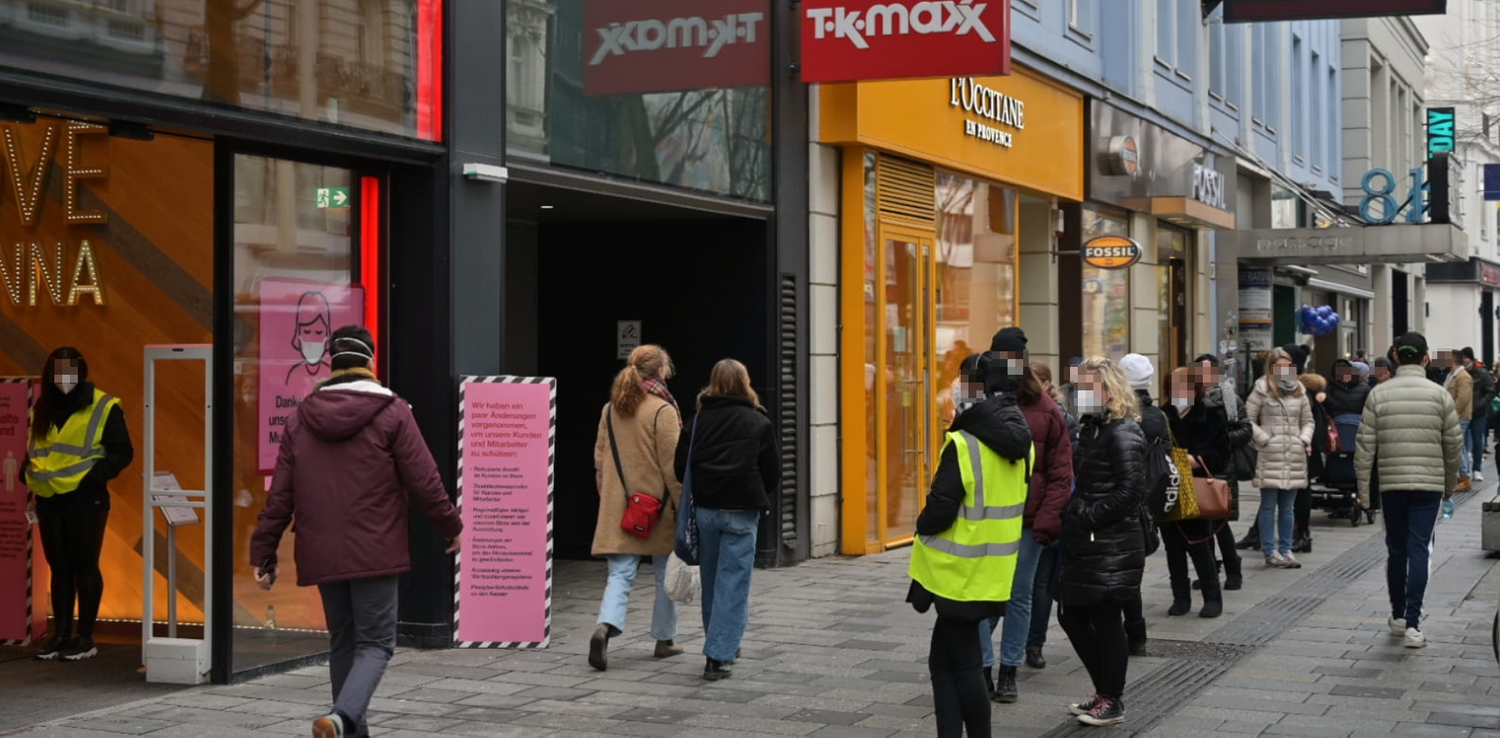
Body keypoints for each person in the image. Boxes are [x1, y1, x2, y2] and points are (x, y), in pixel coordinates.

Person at [251, 326, 462, 738]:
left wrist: (265, 549)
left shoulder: (300, 418)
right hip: (375, 548)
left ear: (331, 364)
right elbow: (424, 480)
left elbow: (281, 495)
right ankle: (343, 718)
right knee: (376, 644)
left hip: (321, 548)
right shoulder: (394, 411)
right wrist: (450, 525)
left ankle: (346, 727)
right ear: (370, 362)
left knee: (344, 642)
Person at [908, 351, 1032, 738]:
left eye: (963, 380)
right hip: (992, 572)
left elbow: (940, 509)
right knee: (943, 662)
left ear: (978, 387)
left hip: (955, 574)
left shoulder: (963, 443)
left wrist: (920, 523)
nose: (957, 387)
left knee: (963, 666)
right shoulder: (1022, 441)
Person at [979, 329, 1073, 703]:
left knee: (1019, 596)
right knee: (983, 598)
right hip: (984, 518)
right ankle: (983, 668)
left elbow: (1060, 470)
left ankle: (1009, 671)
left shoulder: (1045, 408)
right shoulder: (979, 396)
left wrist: (1049, 518)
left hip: (1028, 521)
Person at [1355, 332, 1463, 648]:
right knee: (1419, 549)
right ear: (1426, 357)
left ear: (1397, 358)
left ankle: (1399, 615)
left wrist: (1364, 491)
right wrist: (1449, 484)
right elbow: (1453, 445)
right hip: (1428, 485)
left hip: (1392, 484)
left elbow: (1364, 447)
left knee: (1396, 550)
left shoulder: (1379, 395)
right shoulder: (1439, 394)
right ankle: (1415, 624)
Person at [675, 359, 780, 681]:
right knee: (733, 583)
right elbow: (772, 472)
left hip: (706, 512)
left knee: (711, 580)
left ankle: (721, 643)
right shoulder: (758, 422)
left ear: (714, 382)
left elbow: (681, 469)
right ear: (745, 383)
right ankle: (718, 655)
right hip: (741, 511)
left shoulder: (698, 421)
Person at [27, 347, 134, 662]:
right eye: (58, 371)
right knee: (59, 567)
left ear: (81, 371)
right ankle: (60, 635)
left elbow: (122, 451)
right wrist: (25, 471)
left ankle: (85, 637)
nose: (64, 377)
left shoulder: (103, 406)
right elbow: (36, 448)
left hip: (87, 499)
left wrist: (93, 478)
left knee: (84, 566)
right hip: (49, 498)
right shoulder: (43, 407)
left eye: (70, 370)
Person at [1058, 356, 1147, 727]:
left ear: (1107, 390)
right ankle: (1104, 691)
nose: (1079, 394)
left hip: (1109, 542)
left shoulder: (1123, 431)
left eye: (1086, 387)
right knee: (1072, 614)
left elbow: (1131, 491)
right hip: (1090, 540)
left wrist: (1087, 516)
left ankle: (1112, 698)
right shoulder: (1094, 428)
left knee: (1105, 617)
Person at [588, 344, 684, 672]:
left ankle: (605, 626)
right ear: (659, 371)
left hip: (620, 507)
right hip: (659, 509)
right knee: (664, 576)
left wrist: (609, 498)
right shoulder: (663, 410)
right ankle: (664, 639)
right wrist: (683, 505)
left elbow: (599, 459)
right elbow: (673, 467)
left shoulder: (609, 409)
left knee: (620, 574)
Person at [1025, 359, 1078, 671]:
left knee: (1041, 583)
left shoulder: (1061, 417)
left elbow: (1066, 470)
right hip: (1027, 510)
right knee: (1027, 586)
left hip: (1049, 510)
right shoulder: (1026, 412)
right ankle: (1025, 644)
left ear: (1046, 384)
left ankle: (1035, 643)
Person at [1159, 366, 1224, 619]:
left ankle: (1212, 597)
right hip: (1167, 488)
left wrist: (1197, 460)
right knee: (1173, 546)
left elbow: (1222, 456)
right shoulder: (1161, 415)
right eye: (1173, 385)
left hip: (1197, 489)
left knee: (1198, 544)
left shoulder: (1211, 417)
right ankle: (1180, 597)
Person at [1181, 355, 1247, 590]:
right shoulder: (1188, 397)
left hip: (1220, 467)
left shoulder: (1228, 396)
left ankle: (1233, 571)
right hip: (1195, 468)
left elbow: (1245, 429)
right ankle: (1209, 572)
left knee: (1221, 523)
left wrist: (1218, 440)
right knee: (1202, 521)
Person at [1246, 348, 1314, 570]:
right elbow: (1247, 420)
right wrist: (1265, 439)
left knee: (1288, 507)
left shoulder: (1299, 390)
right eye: (1280, 365)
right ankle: (1269, 550)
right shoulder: (1261, 389)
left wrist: (1303, 440)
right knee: (1268, 506)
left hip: (1294, 455)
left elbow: (1308, 421)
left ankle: (1286, 549)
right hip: (1270, 455)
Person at [1294, 371, 1330, 553]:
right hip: (1312, 453)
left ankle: (1302, 534)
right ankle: (1302, 534)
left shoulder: (1305, 398)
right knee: (1301, 492)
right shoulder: (1315, 400)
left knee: (1298, 494)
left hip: (1304, 452)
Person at [1461, 348, 1494, 484]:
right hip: (1463, 413)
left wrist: (1480, 404)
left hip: (1478, 413)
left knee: (1477, 441)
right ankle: (1464, 470)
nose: (1464, 361)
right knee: (1461, 442)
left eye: (1465, 358)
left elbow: (1490, 391)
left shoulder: (1482, 373)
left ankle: (1477, 469)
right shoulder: (1460, 374)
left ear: (1471, 358)